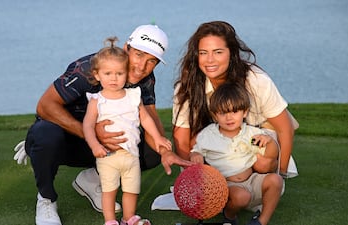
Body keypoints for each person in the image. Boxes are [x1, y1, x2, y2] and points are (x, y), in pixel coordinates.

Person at [13, 24, 193, 225]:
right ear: (126, 48)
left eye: (152, 61)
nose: (142, 66)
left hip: (103, 146)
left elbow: (149, 116)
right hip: (65, 138)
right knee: (45, 135)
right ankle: (46, 198)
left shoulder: (145, 78)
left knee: (152, 151)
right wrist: (91, 134)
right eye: (139, 55)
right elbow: (45, 106)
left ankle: (92, 180)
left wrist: (164, 150)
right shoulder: (90, 68)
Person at [172, 21, 298, 224]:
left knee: (264, 158)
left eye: (218, 52)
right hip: (215, 144)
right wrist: (194, 181)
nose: (209, 59)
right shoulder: (186, 87)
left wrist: (281, 173)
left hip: (255, 139)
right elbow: (181, 137)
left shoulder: (256, 80)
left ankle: (258, 191)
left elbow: (286, 128)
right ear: (196, 55)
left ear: (232, 53)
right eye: (203, 52)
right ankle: (224, 196)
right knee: (197, 139)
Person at [83, 36, 172, 225]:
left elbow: (145, 118)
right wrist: (94, 145)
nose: (114, 78)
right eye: (108, 74)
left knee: (132, 189)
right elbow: (88, 126)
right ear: (97, 75)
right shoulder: (97, 100)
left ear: (126, 73)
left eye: (119, 74)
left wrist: (157, 137)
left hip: (131, 154)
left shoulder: (134, 95)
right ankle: (110, 221)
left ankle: (128, 218)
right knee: (109, 190)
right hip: (108, 156)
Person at [189, 82, 283, 225]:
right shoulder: (209, 135)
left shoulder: (251, 134)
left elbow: (271, 154)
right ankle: (229, 215)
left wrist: (269, 141)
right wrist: (195, 155)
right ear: (215, 115)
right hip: (226, 185)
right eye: (223, 113)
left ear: (244, 112)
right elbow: (196, 150)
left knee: (276, 180)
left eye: (234, 112)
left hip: (252, 179)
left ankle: (262, 221)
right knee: (242, 197)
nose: (229, 118)